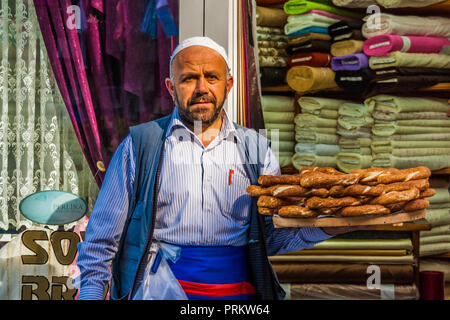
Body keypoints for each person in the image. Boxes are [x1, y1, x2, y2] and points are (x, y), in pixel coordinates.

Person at [76, 36, 361, 300]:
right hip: (158, 292)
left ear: (229, 84)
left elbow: (272, 238)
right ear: (170, 87)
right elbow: (100, 241)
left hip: (237, 296)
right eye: (189, 78)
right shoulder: (141, 146)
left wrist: (329, 226)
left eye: (212, 77)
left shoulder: (256, 150)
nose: (202, 88)